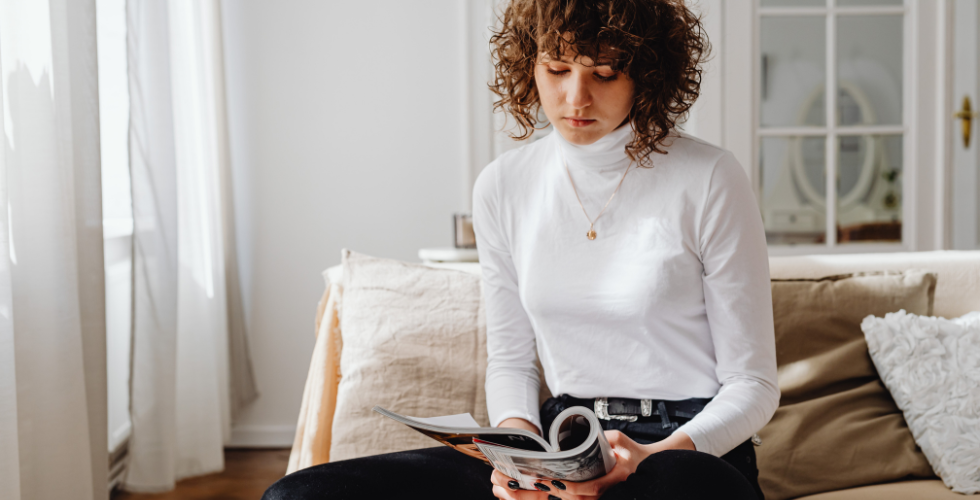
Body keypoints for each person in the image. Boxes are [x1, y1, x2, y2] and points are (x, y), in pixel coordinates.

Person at [263, 0, 778, 499]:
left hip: (682, 450)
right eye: (556, 69)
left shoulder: (711, 178)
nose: (575, 98)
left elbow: (752, 384)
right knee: (301, 494)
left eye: (603, 74)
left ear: (647, 75)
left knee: (685, 486)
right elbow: (512, 362)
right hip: (563, 444)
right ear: (528, 63)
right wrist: (517, 461)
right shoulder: (503, 186)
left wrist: (651, 455)